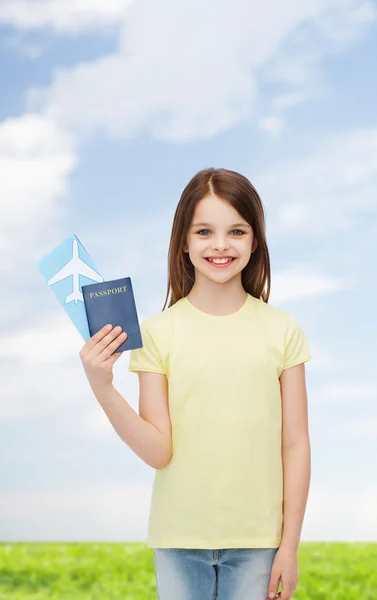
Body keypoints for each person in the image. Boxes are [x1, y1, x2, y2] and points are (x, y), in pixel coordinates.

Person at [79, 167, 312, 600]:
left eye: (236, 231)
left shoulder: (283, 331)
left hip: (260, 541)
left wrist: (289, 545)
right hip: (178, 539)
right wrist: (102, 386)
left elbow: (295, 444)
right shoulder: (157, 333)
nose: (220, 245)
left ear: (255, 240)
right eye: (204, 231)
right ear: (184, 242)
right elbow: (158, 449)